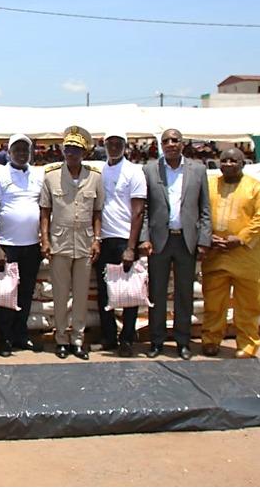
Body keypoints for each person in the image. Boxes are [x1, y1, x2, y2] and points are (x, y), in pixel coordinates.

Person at [139, 129, 211, 361]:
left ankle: (182, 341)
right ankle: (157, 341)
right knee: (157, 293)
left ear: (183, 144)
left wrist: (204, 240)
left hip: (186, 240)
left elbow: (205, 209)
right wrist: (144, 238)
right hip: (160, 240)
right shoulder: (150, 170)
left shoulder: (198, 170)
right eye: (166, 141)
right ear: (161, 145)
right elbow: (145, 209)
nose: (170, 144)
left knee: (184, 294)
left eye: (175, 140)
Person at [201, 148, 260, 358]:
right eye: (224, 160)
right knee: (213, 303)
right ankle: (211, 340)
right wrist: (207, 237)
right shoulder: (210, 185)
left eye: (234, 160)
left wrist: (241, 238)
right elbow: (198, 213)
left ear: (243, 163)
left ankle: (247, 345)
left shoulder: (256, 188)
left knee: (248, 304)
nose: (229, 164)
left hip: (245, 256)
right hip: (216, 255)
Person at [39, 126, 102, 360]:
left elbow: (97, 212)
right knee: (60, 293)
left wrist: (97, 240)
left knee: (82, 293)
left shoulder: (94, 177)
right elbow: (45, 211)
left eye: (76, 150)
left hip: (85, 242)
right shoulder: (51, 176)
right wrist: (44, 239)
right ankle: (61, 339)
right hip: (59, 242)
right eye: (68, 150)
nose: (71, 154)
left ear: (84, 153)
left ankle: (78, 339)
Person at [0, 134, 45, 357]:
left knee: (25, 292)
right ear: (9, 151)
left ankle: (20, 334)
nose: (22, 153)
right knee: (5, 294)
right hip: (7, 245)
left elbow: (44, 209)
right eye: (17, 149)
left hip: (32, 245)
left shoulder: (38, 175)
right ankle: (5, 338)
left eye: (26, 150)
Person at [95, 129, 147, 357]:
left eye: (118, 144)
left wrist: (131, 247)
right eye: (110, 143)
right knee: (105, 291)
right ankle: (109, 337)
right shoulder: (101, 171)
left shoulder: (134, 172)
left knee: (128, 292)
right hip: (104, 239)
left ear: (125, 146)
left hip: (125, 239)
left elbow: (138, 212)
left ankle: (126, 338)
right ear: (104, 145)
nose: (114, 147)